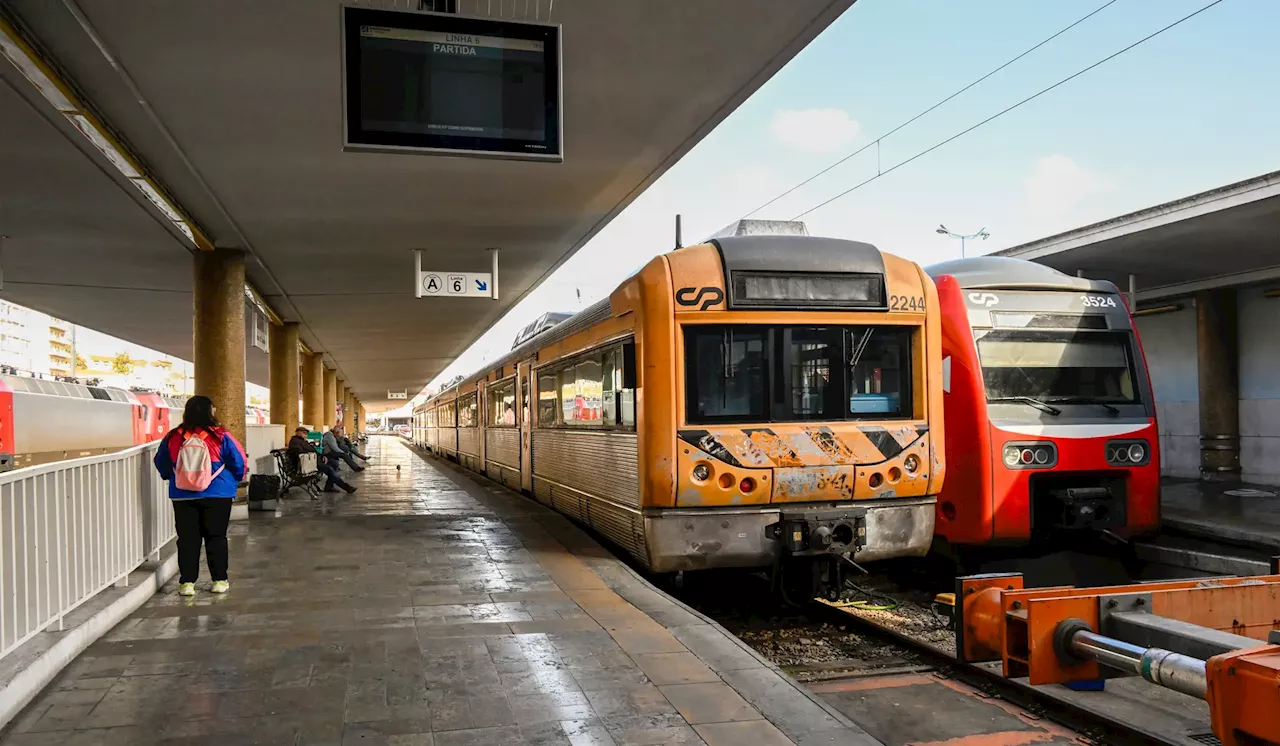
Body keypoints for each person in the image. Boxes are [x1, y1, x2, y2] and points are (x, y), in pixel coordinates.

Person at [152, 395, 246, 597]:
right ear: (209, 411)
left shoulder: (174, 436)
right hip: (218, 494)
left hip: (183, 495)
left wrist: (173, 477)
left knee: (187, 539)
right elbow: (239, 462)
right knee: (216, 537)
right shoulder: (220, 435)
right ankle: (219, 580)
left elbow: (161, 462)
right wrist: (235, 480)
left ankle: (187, 583)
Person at [289, 426, 355, 494]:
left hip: (314, 461)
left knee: (334, 463)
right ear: (298, 433)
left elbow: (312, 451)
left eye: (306, 434)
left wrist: (322, 456)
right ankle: (346, 487)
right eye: (304, 433)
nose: (306, 436)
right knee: (329, 469)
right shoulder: (295, 442)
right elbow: (301, 453)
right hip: (307, 465)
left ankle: (329, 487)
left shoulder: (302, 441)